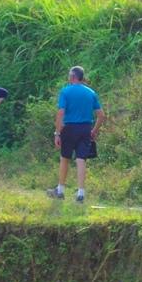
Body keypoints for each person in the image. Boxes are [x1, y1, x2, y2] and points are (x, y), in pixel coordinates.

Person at [50, 66, 105, 202]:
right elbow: (101, 115)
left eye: (69, 76)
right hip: (85, 128)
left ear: (73, 77)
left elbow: (61, 113)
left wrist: (57, 133)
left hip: (69, 128)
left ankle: (60, 190)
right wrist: (94, 130)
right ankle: (80, 193)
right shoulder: (91, 93)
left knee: (65, 158)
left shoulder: (66, 91)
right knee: (81, 159)